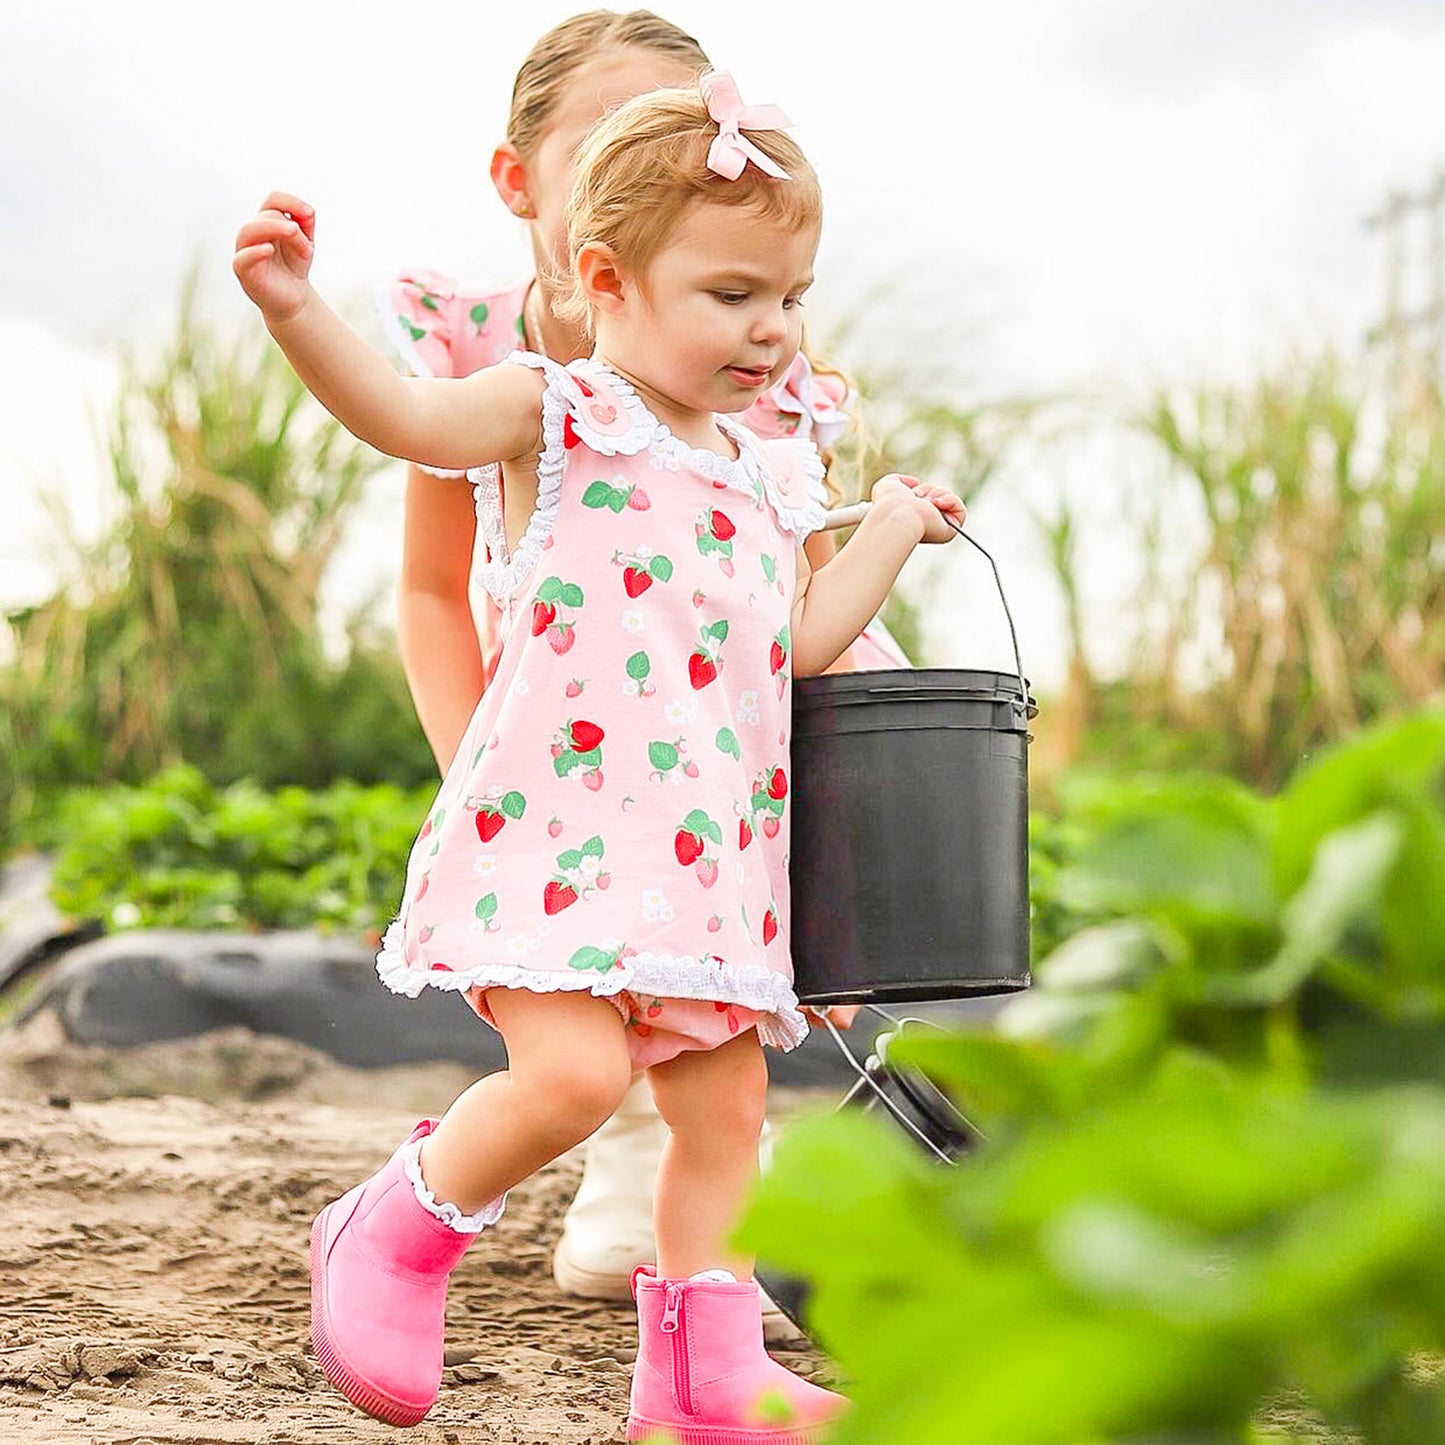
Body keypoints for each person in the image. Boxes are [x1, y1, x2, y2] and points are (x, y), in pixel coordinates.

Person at [233, 69, 963, 1443]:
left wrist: (888, 530)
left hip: (704, 872)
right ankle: (389, 1229)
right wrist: (294, 310)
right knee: (568, 1080)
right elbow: (400, 416)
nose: (771, 330)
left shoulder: (762, 471)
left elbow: (799, 640)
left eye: (790, 297)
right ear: (606, 278)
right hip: (559, 844)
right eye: (732, 295)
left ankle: (704, 1375)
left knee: (724, 1110)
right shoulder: (555, 417)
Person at [384, 8, 907, 1331]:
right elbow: (432, 592)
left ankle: (698, 1290)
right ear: (522, 181)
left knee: (715, 1053)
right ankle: (557, 1184)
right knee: (574, 1040)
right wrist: (480, 785)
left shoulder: (745, 363)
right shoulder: (501, 372)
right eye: (619, 140)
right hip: (556, 743)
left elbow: (773, 617)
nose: (685, 168)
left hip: (706, 750)